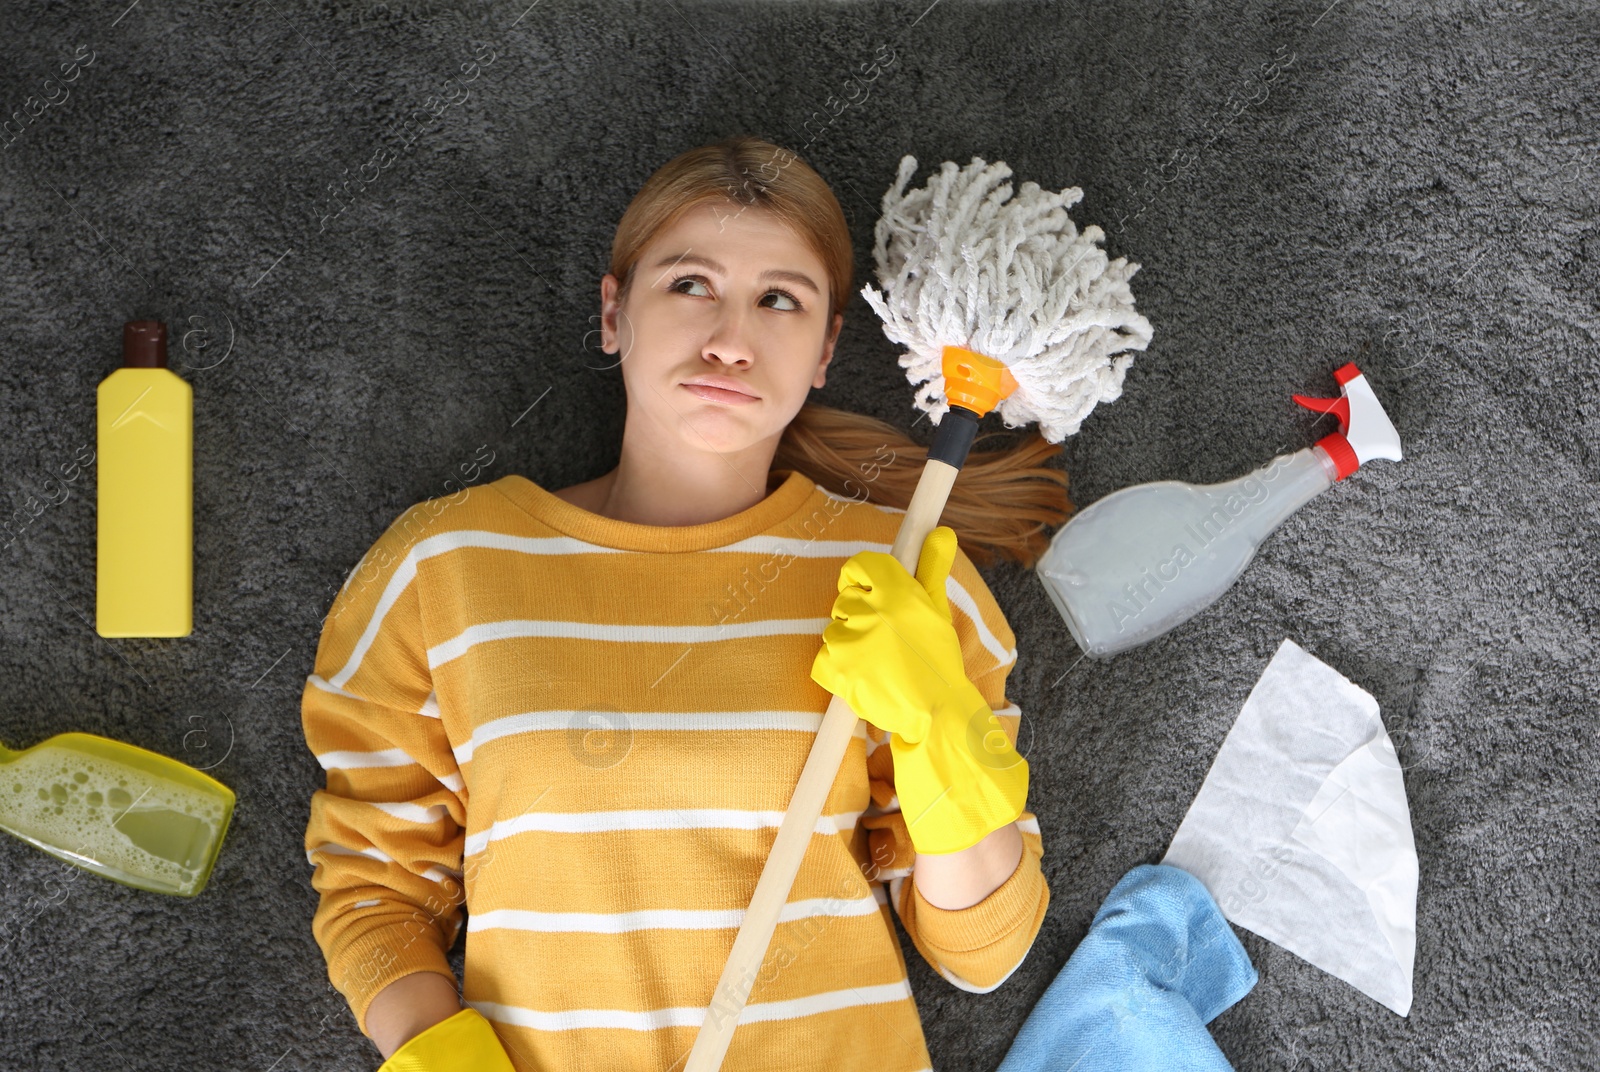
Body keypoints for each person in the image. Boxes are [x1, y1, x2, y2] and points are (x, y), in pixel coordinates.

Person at [300, 135, 1073, 1071]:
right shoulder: (443, 566)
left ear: (827, 349)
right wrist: (442, 1059)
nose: (730, 340)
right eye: (690, 284)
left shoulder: (906, 573)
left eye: (778, 299)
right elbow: (376, 895)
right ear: (613, 313)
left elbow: (985, 956)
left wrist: (942, 731)